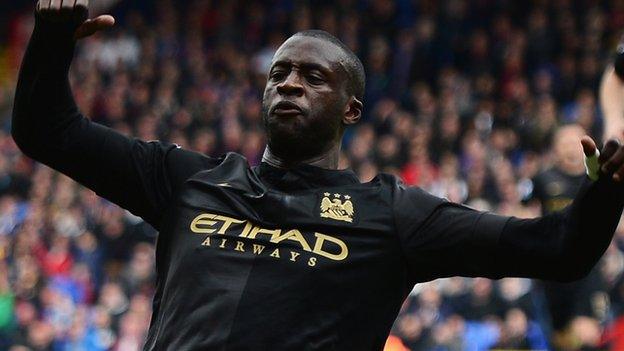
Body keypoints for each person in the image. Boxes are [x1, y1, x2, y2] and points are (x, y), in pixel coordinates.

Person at [10, 1, 624, 350]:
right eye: (279, 74)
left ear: (351, 110)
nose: (290, 85)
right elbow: (46, 130)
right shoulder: (187, 181)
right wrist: (53, 37)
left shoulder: (391, 215)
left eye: (313, 77)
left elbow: (559, 249)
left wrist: (609, 186)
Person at [525, 124, 608, 344]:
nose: (570, 148)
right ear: (555, 148)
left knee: (588, 334)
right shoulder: (543, 179)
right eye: (564, 143)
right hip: (553, 268)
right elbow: (525, 211)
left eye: (575, 142)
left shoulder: (599, 177)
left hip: (590, 267)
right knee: (561, 337)